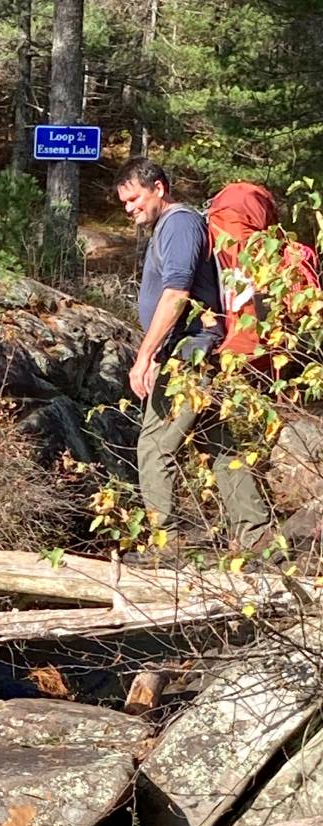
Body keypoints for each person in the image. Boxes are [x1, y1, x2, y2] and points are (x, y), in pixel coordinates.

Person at [114, 156, 272, 553]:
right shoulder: (175, 226)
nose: (130, 208)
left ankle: (167, 545)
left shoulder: (179, 224)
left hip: (189, 354)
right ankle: (258, 538)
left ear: (158, 189)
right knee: (221, 446)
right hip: (204, 351)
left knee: (154, 445)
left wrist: (145, 356)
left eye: (135, 198)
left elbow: (177, 292)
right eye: (124, 203)